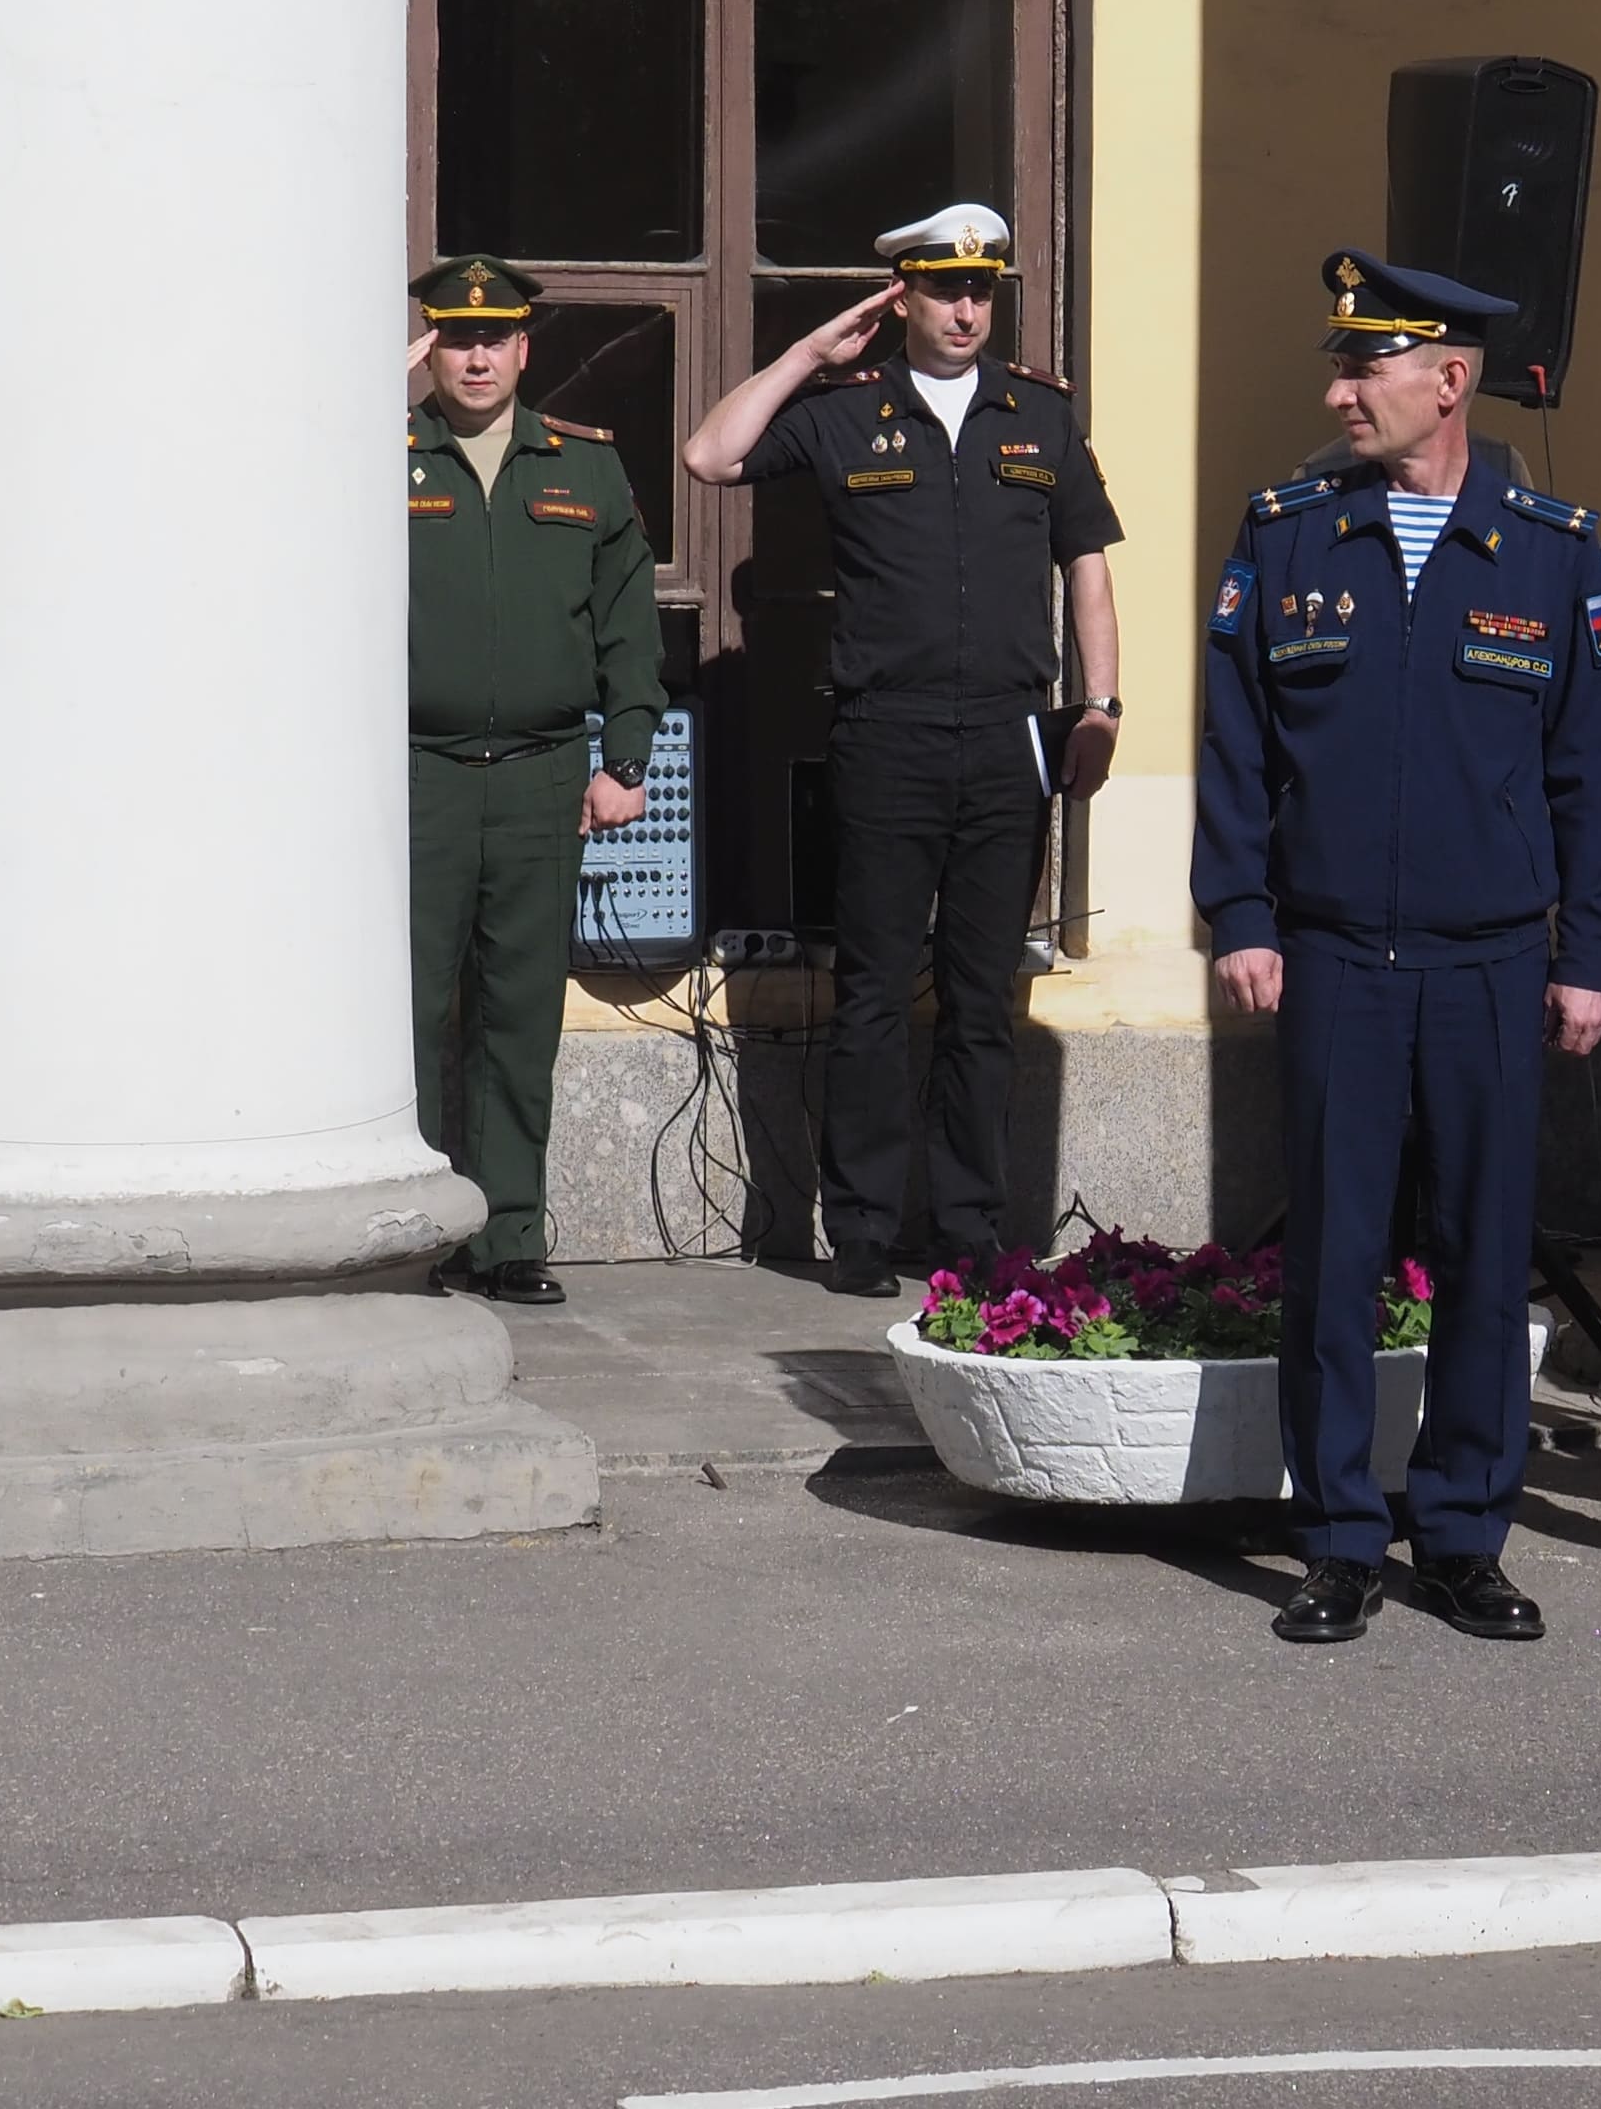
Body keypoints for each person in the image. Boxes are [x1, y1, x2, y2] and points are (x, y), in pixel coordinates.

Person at [1195, 253, 1601, 1647]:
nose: (1337, 392)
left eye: (1363, 369)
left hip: (1495, 961)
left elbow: (1587, 769)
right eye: (1342, 366)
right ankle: (1335, 1538)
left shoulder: (1557, 549)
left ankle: (1463, 1535)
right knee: (1331, 1251)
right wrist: (1244, 914)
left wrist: (1589, 949)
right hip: (1331, 957)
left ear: (1448, 381)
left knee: (1487, 1255)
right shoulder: (1287, 531)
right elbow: (1236, 744)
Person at [680, 203, 1124, 1296]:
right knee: (874, 991)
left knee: (985, 995)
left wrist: (1101, 703)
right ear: (903, 298)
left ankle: (971, 1226)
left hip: (1014, 733)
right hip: (887, 736)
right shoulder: (848, 412)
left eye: (982, 290)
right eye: (944, 289)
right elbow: (708, 454)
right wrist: (807, 352)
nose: (966, 308)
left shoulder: (1041, 420)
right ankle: (866, 1230)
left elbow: (1088, 567)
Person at [401, 257, 664, 1304]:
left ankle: (508, 1234)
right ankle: (414, 1231)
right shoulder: (375, 454)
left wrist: (627, 757)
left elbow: (628, 625)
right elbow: (278, 521)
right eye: (455, 336)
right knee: (410, 1016)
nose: (475, 354)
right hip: (412, 777)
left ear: (524, 347)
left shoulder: (585, 469)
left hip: (542, 779)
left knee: (519, 1017)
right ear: (430, 344)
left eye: (495, 335)